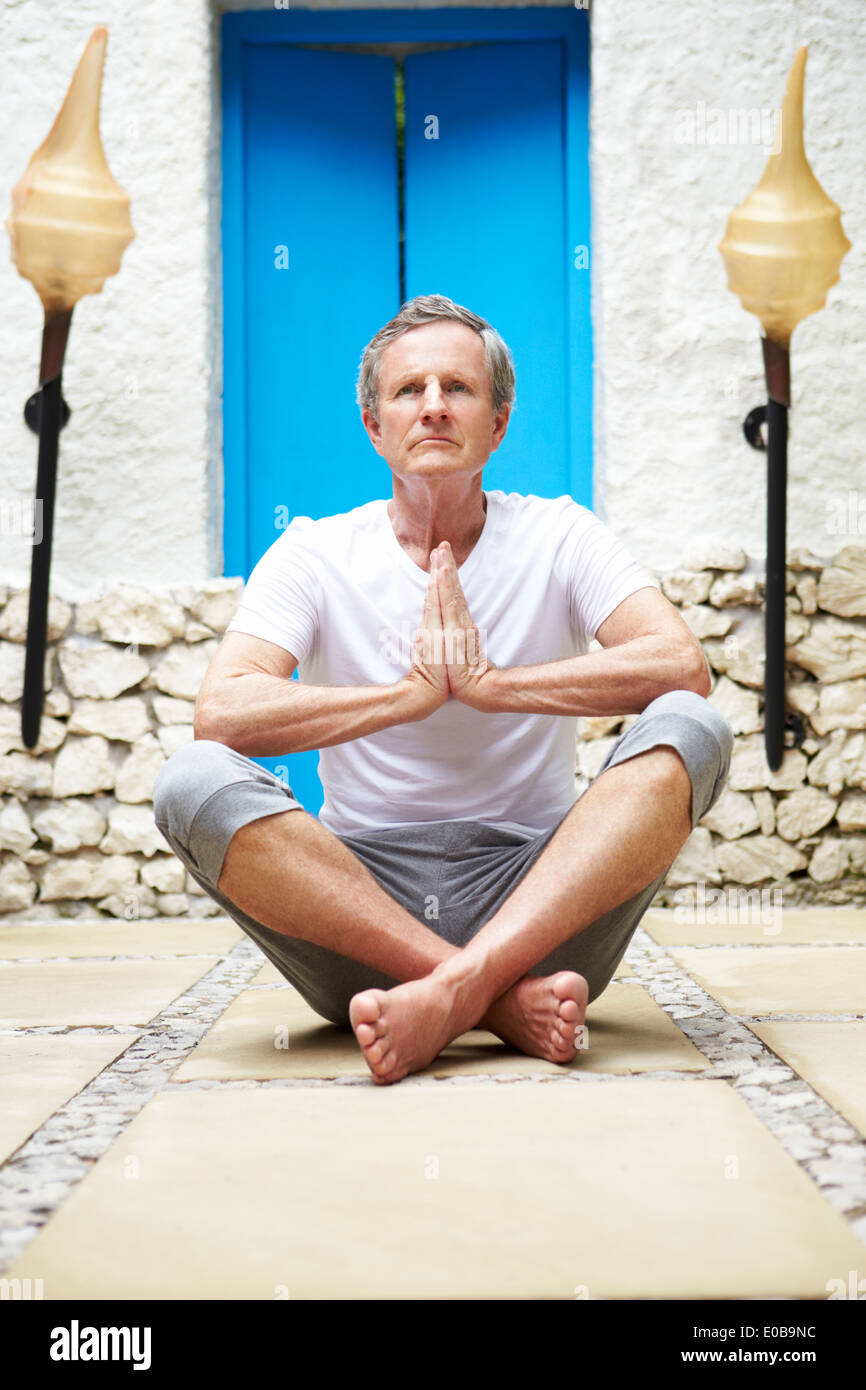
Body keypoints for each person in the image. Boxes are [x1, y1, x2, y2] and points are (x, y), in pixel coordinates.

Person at [153, 293, 733, 1086]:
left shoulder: (561, 534)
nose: (432, 408)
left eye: (457, 389)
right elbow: (222, 712)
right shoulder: (314, 553)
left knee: (691, 725)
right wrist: (407, 696)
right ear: (374, 424)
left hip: (541, 902)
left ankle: (454, 991)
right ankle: (494, 1000)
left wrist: (497, 687)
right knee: (190, 780)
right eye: (408, 391)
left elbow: (680, 666)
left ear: (497, 422)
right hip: (359, 922)